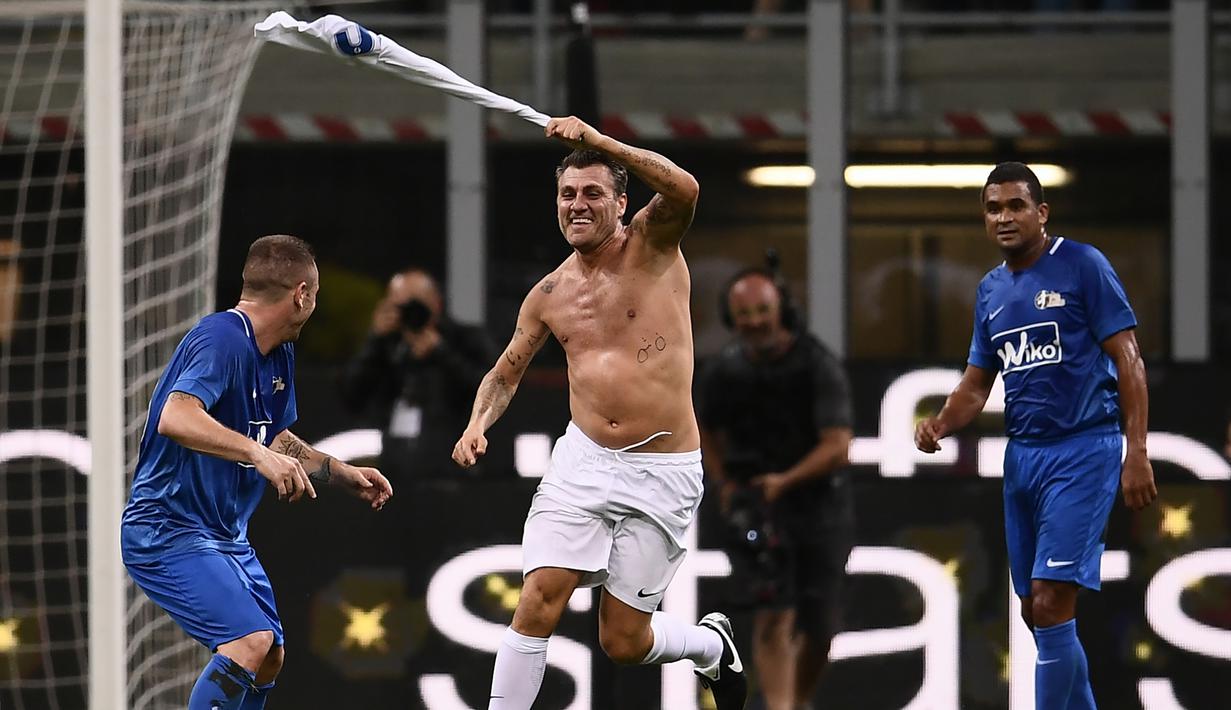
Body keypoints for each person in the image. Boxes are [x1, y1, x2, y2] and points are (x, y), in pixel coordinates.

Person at [452, 116, 747, 710]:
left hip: (662, 469)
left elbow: (685, 189)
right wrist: (477, 423)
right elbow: (504, 374)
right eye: (567, 195)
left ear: (621, 202)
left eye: (592, 193)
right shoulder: (548, 295)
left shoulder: (653, 243)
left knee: (623, 641)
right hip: (582, 463)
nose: (577, 205)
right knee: (537, 598)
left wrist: (601, 143)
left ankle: (710, 646)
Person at [915, 162, 1156, 709]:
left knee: (1051, 602)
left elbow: (1129, 359)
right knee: (1034, 610)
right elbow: (977, 385)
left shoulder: (1082, 265)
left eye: (1016, 205)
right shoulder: (991, 291)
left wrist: (1136, 449)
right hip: (1023, 458)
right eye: (993, 208)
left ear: (1041, 213)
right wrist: (941, 423)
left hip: (1082, 450)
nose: (1004, 217)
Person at [121, 235, 394, 710]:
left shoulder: (277, 353)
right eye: (316, 294)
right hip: (166, 528)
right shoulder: (221, 338)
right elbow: (175, 416)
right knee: (247, 642)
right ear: (302, 294)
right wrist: (256, 454)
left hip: (225, 536)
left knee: (269, 654)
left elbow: (274, 438)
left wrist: (341, 472)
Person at [698, 266, 854, 710]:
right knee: (772, 614)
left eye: (762, 310)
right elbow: (704, 427)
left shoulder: (817, 364)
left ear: (781, 308)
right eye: (743, 313)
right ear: (731, 319)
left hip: (821, 507)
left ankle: (798, 701)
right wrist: (724, 481)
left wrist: (785, 481)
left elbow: (838, 445)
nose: (754, 321)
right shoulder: (724, 371)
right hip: (758, 510)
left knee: (821, 621)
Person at [340, 267, 493, 479]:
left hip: (452, 470)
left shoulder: (463, 340)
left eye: (415, 305)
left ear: (437, 304)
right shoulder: (386, 345)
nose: (409, 314)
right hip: (391, 465)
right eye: (400, 307)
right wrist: (375, 340)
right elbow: (351, 394)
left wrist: (442, 353)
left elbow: (490, 391)